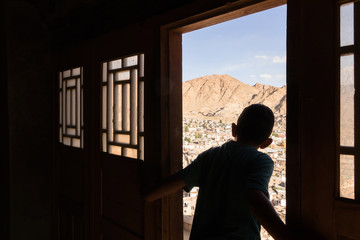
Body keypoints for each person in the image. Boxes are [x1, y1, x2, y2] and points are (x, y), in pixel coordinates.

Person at [145, 104, 298, 240]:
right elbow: (254, 196)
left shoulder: (210, 155)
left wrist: (148, 195)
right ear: (267, 143)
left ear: (234, 129)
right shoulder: (261, 161)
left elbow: (178, 180)